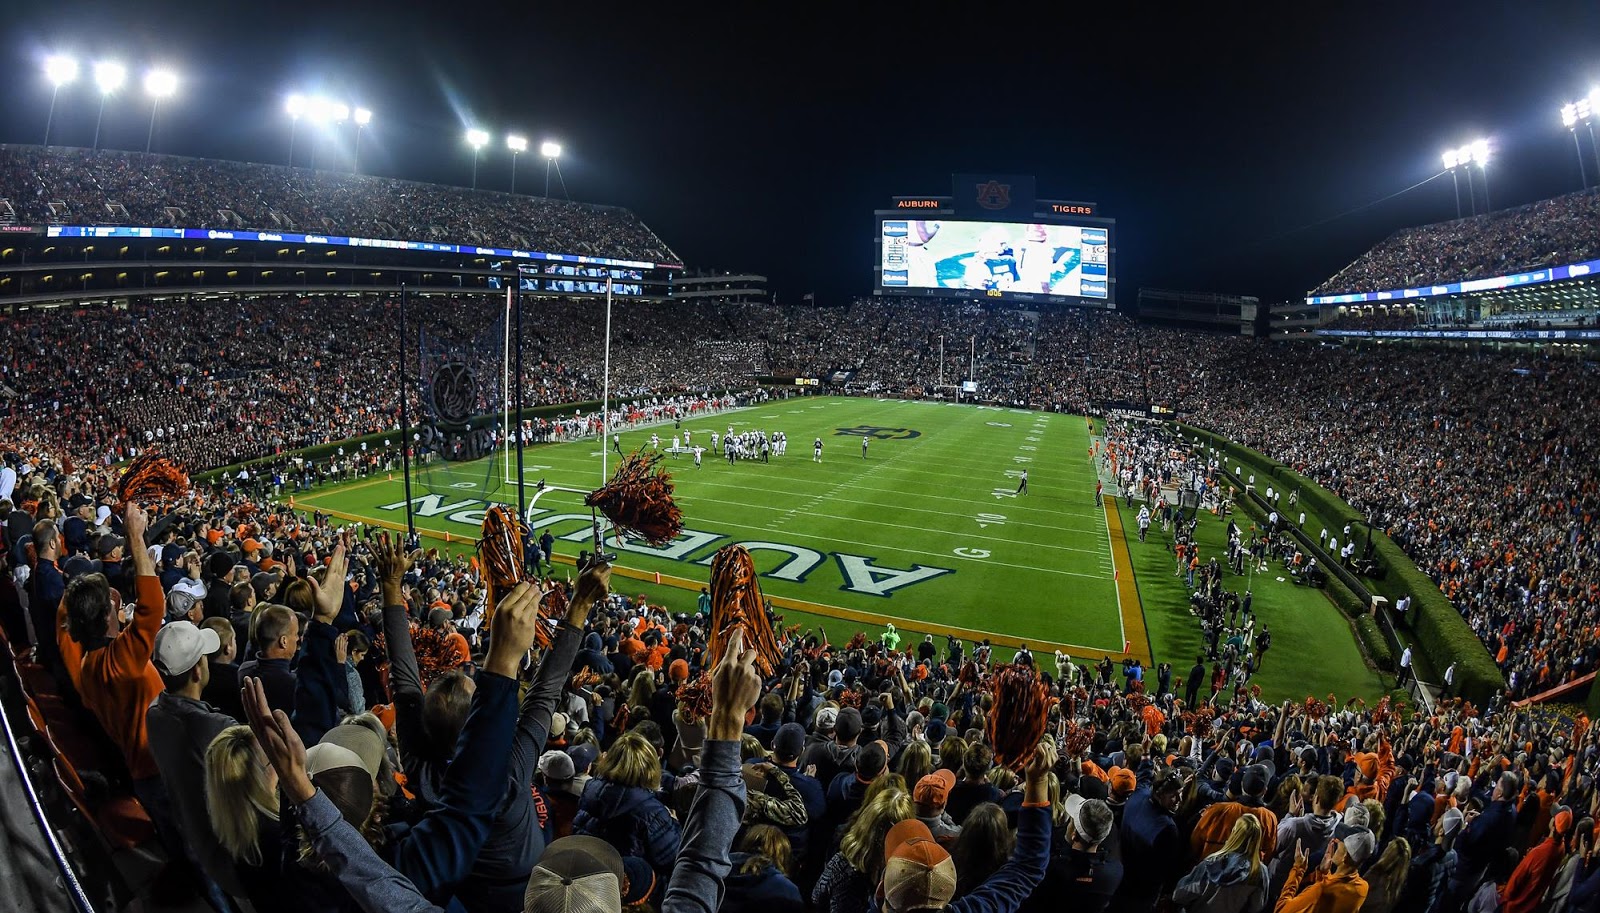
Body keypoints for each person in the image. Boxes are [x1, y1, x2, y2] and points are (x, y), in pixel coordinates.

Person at [1172, 814, 1268, 913]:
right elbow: (1256, 907)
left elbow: (1180, 895)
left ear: (1234, 834)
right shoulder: (1259, 872)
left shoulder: (1212, 863)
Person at [1274, 824, 1374, 913]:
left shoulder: (1320, 891)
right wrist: (1323, 873)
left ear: (1345, 857)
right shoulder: (1363, 888)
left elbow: (1281, 909)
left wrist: (1298, 869)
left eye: (1339, 844)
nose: (1335, 841)